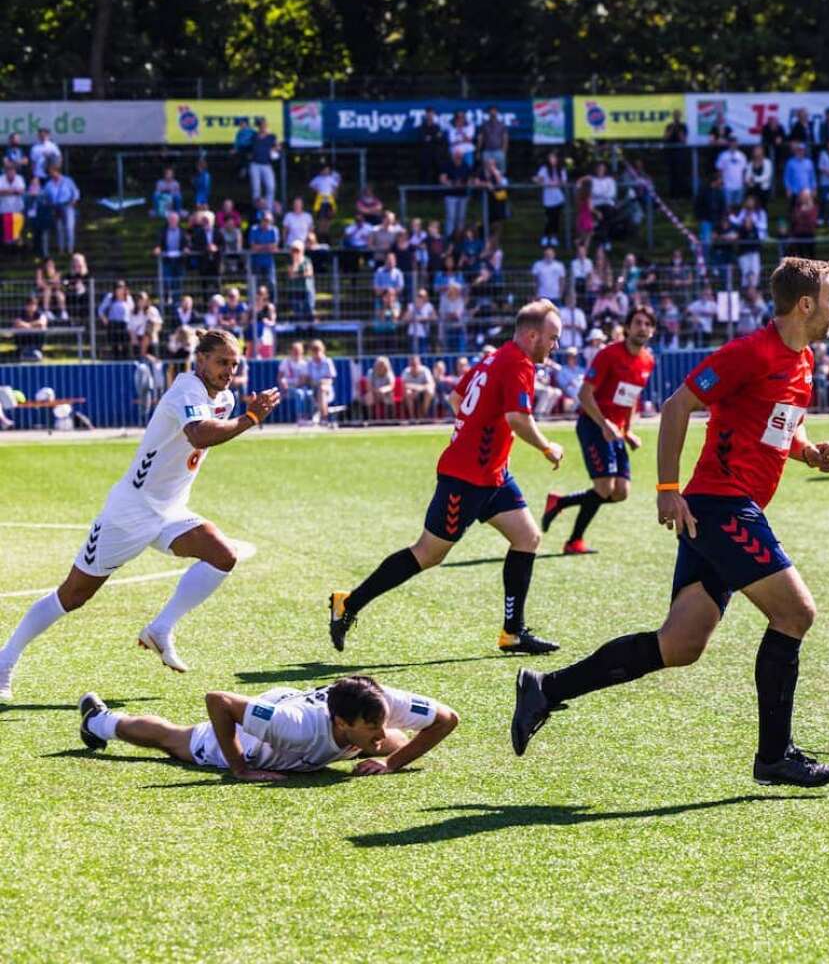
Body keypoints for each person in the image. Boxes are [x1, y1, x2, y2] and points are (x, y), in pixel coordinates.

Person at [511, 258, 829, 787]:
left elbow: (781, 430)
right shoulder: (751, 352)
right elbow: (677, 405)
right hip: (719, 506)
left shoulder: (801, 361)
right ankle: (774, 757)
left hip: (731, 508)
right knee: (796, 614)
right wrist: (668, 490)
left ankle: (544, 690)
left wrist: (809, 454)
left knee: (680, 644)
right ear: (805, 304)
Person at [0, 330, 280, 702]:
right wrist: (250, 418)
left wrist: (243, 416)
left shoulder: (225, 398)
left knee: (222, 556)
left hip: (169, 511)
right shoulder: (186, 391)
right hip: (129, 512)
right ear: (201, 360)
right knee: (73, 595)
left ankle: (160, 629)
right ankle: (5, 660)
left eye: (234, 364)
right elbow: (200, 435)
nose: (228, 371)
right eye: (221, 362)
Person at [328, 300, 565, 656]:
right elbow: (518, 417)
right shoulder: (518, 363)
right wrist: (548, 448)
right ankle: (348, 604)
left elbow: (457, 399)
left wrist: (483, 434)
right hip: (465, 478)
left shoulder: (494, 357)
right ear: (532, 336)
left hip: (492, 475)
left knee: (527, 537)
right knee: (428, 554)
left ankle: (512, 633)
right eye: (552, 338)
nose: (555, 346)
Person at [73, 675, 457, 783]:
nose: (380, 728)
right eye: (372, 725)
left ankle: (372, 749)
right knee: (171, 740)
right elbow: (218, 700)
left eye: (382, 720)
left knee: (393, 743)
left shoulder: (380, 700)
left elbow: (447, 719)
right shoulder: (297, 729)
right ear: (341, 722)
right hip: (253, 737)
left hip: (299, 711)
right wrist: (239, 766)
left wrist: (391, 763)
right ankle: (99, 721)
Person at [541, 307, 657, 554]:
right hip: (594, 425)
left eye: (648, 324)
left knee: (621, 493)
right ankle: (574, 542)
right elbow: (584, 395)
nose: (643, 327)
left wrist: (628, 432)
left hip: (615, 430)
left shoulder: (648, 361)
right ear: (627, 327)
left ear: (653, 330)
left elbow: (630, 398)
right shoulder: (608, 355)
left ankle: (560, 502)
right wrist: (605, 424)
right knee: (604, 488)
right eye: (638, 322)